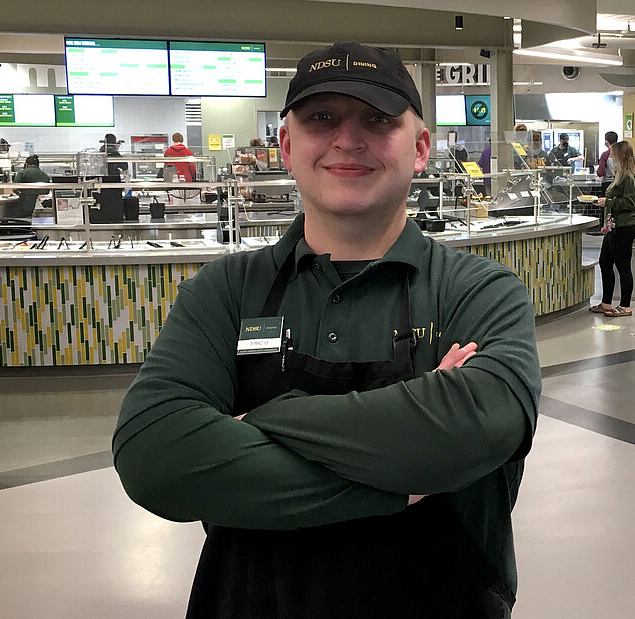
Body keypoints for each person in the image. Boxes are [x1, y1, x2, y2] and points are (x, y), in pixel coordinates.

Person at [113, 41, 541, 618]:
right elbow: (154, 458)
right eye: (321, 118)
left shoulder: (481, 292)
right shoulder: (223, 291)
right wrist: (406, 477)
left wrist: (256, 422)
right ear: (287, 147)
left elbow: (480, 423)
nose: (347, 139)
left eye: (377, 119)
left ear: (419, 149)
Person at [591, 140, 635, 318]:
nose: (611, 160)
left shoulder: (630, 178)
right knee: (605, 262)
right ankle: (606, 302)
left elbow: (631, 203)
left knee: (623, 266)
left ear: (621, 156)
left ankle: (625, 306)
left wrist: (608, 202)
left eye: (614, 156)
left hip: (625, 226)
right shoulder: (620, 175)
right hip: (614, 226)